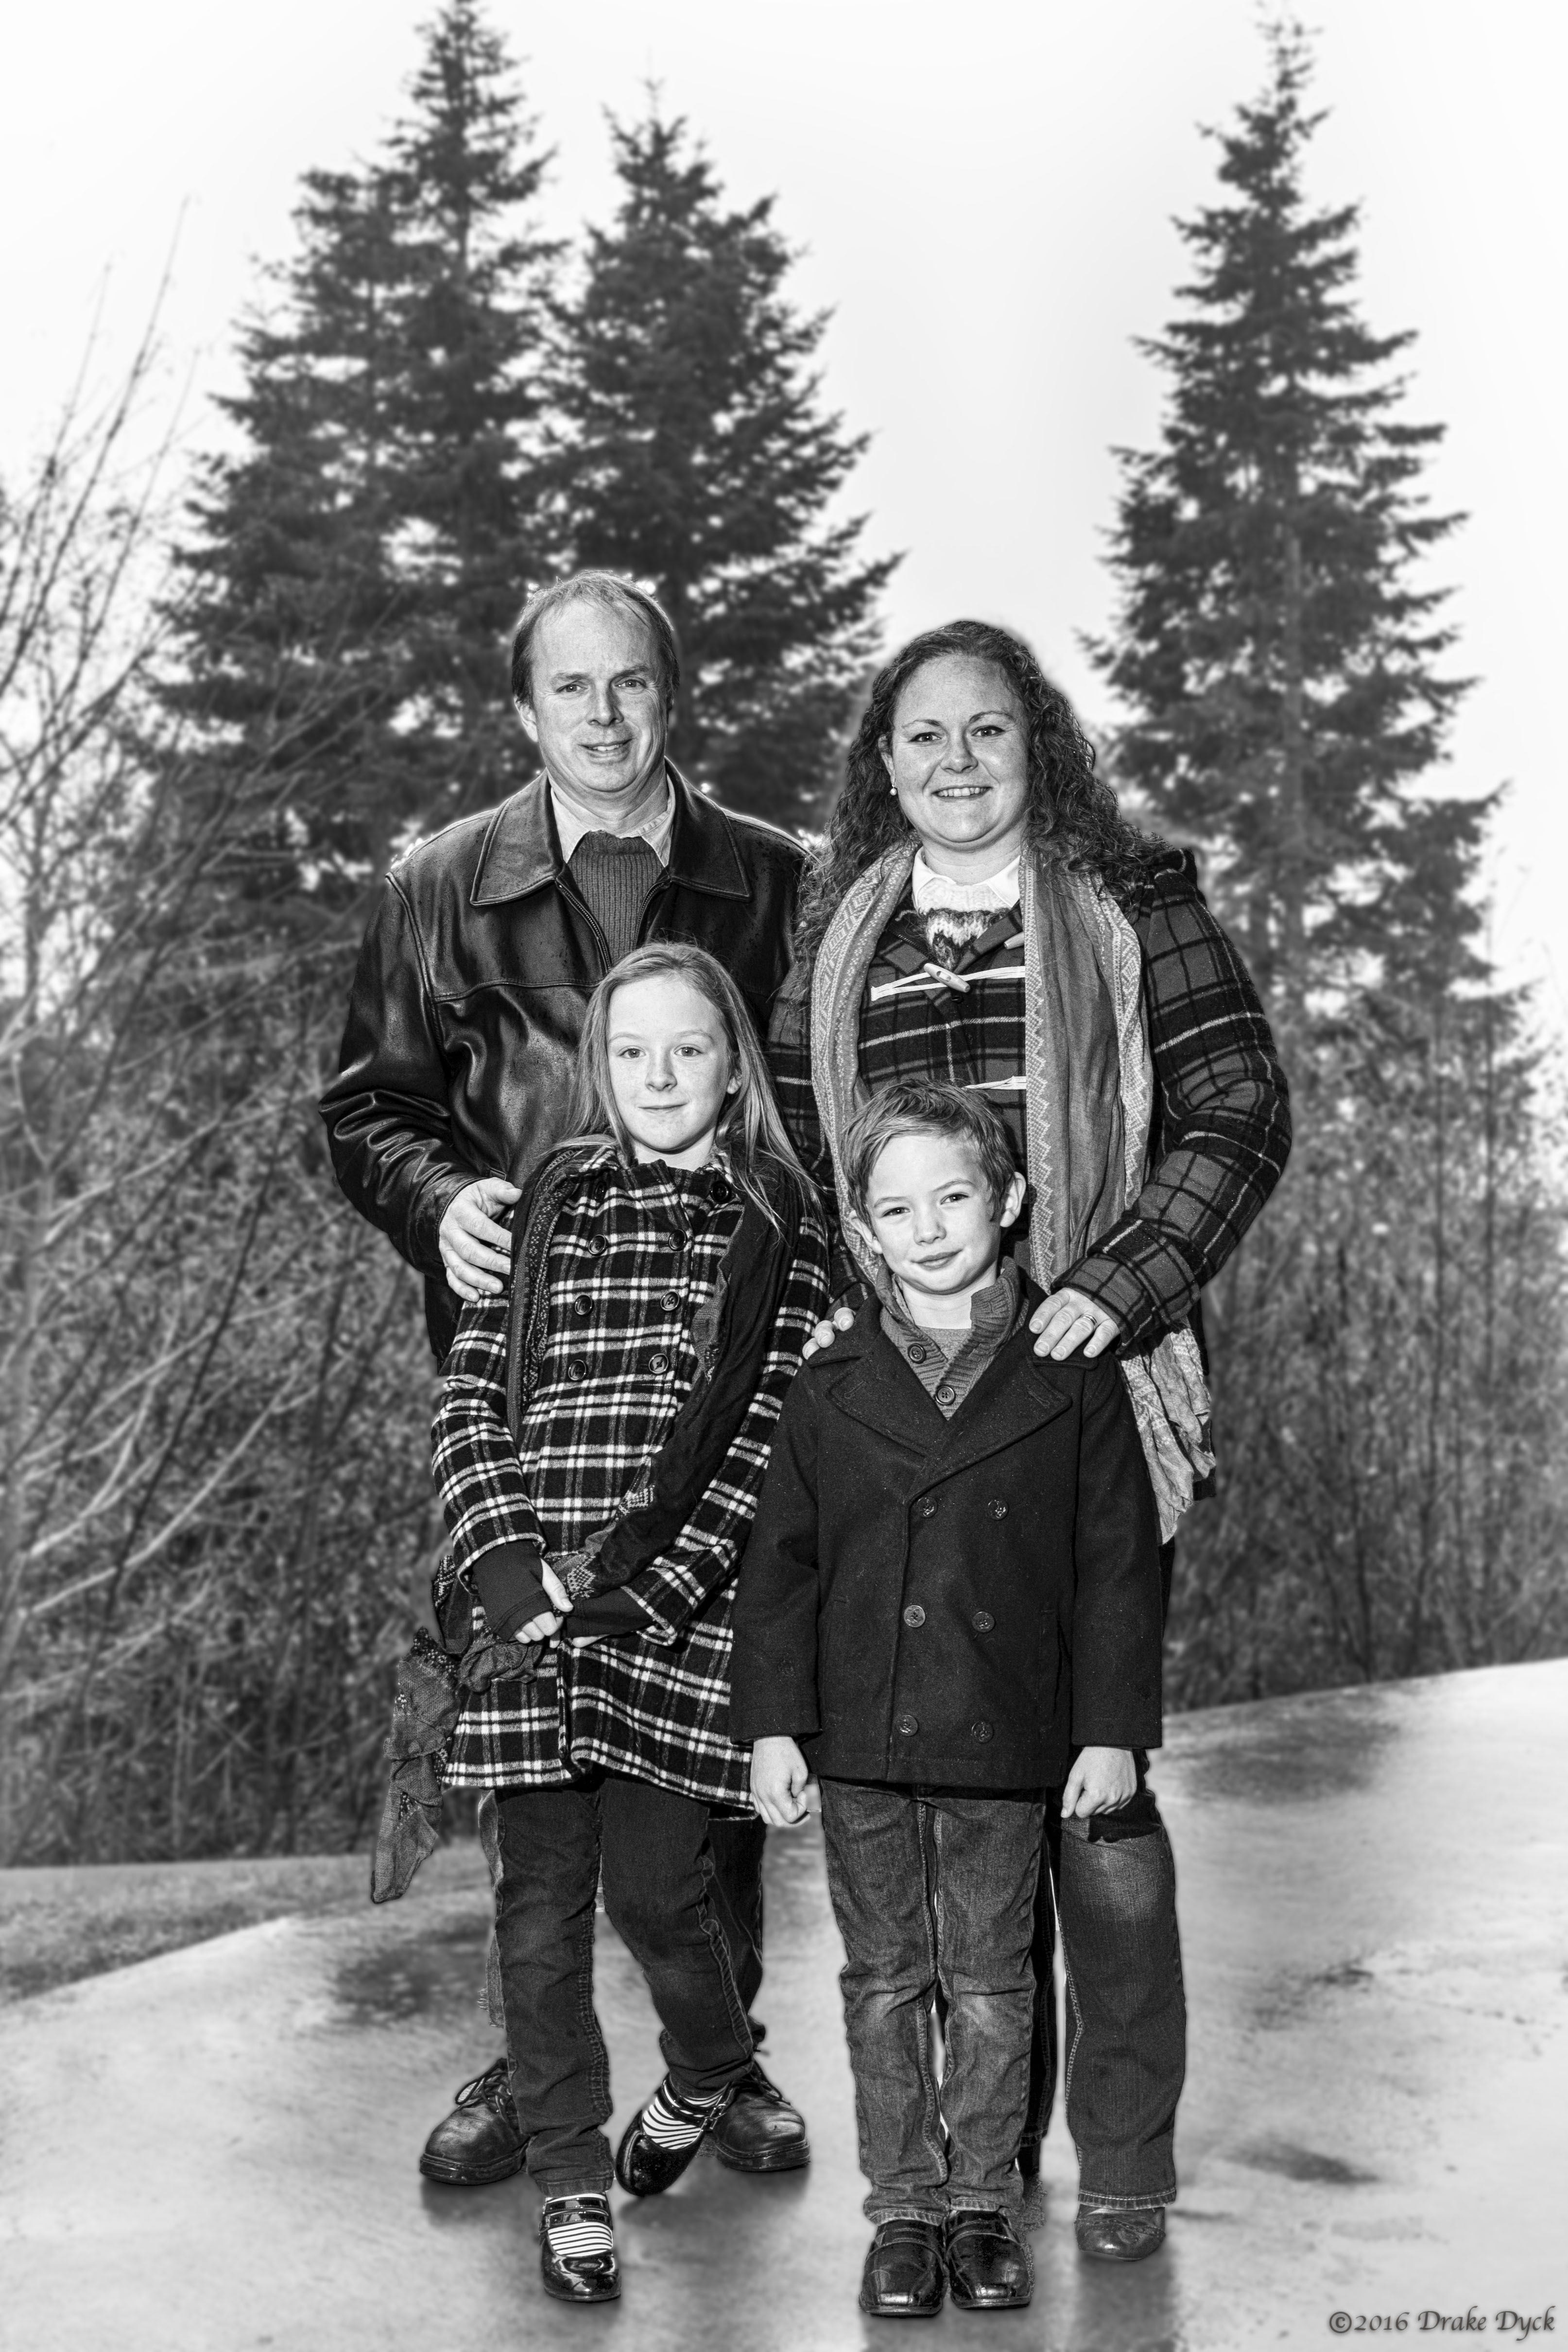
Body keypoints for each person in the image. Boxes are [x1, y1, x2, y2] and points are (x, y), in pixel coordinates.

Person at [768, 618, 1292, 2259]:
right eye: (916, 735)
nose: (949, 760)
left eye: (983, 730)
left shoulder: (1131, 907)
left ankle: (1122, 2148)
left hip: (1081, 1392)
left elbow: (1235, 1113)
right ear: (881, 762)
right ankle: (983, 2173)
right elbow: (804, 1143)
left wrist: (1118, 1288)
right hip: (906, 1408)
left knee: (1098, 1774)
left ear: (1035, 742)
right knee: (955, 1785)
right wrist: (845, 1310)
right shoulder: (837, 933)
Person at [321, 572, 810, 2186]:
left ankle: (713, 2054)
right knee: (519, 1728)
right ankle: (524, 2065)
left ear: (671, 696)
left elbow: (804, 1107)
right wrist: (440, 1199)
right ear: (524, 710)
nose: (602, 714)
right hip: (520, 1394)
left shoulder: (770, 879)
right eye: (568, 689)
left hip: (709, 1368)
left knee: (699, 1721)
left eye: (630, 685)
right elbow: (366, 1109)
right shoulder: (432, 885)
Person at [431, 944, 828, 2303]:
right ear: (599, 1064)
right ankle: (567, 2175)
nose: (661, 1078)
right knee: (536, 1907)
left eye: (690, 1051)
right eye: (633, 1053)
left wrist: (646, 1594)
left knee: (664, 1895)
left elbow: (769, 1443)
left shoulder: (779, 1220)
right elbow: (470, 1391)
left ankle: (712, 2065)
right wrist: (500, 1556)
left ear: (734, 1063)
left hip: (675, 1623)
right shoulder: (553, 1199)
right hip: (528, 1617)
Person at [733, 1081, 1165, 2318]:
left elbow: (1116, 1565)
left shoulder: (1069, 1375)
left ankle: (985, 2203)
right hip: (861, 1733)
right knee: (882, 1982)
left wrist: (1111, 1734)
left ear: (1010, 1200)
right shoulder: (827, 1387)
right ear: (864, 1232)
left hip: (1007, 1727)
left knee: (989, 1979)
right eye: (896, 1208)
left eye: (954, 1196)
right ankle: (904, 2212)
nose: (927, 1228)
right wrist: (771, 1724)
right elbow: (781, 1571)